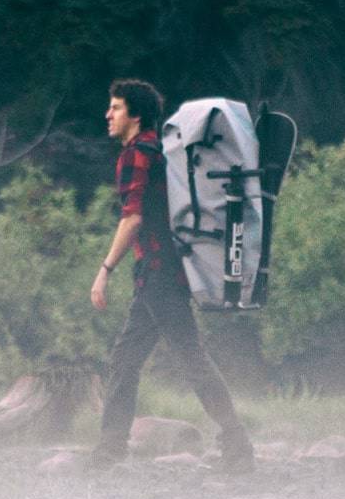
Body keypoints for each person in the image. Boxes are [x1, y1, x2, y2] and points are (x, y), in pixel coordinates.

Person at [89, 79, 255, 471]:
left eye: (115, 108)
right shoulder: (161, 151)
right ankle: (109, 451)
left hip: (158, 274)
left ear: (136, 115)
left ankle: (237, 446)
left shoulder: (136, 155)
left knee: (188, 358)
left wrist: (104, 271)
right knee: (126, 360)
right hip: (166, 272)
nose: (108, 115)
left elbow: (132, 218)